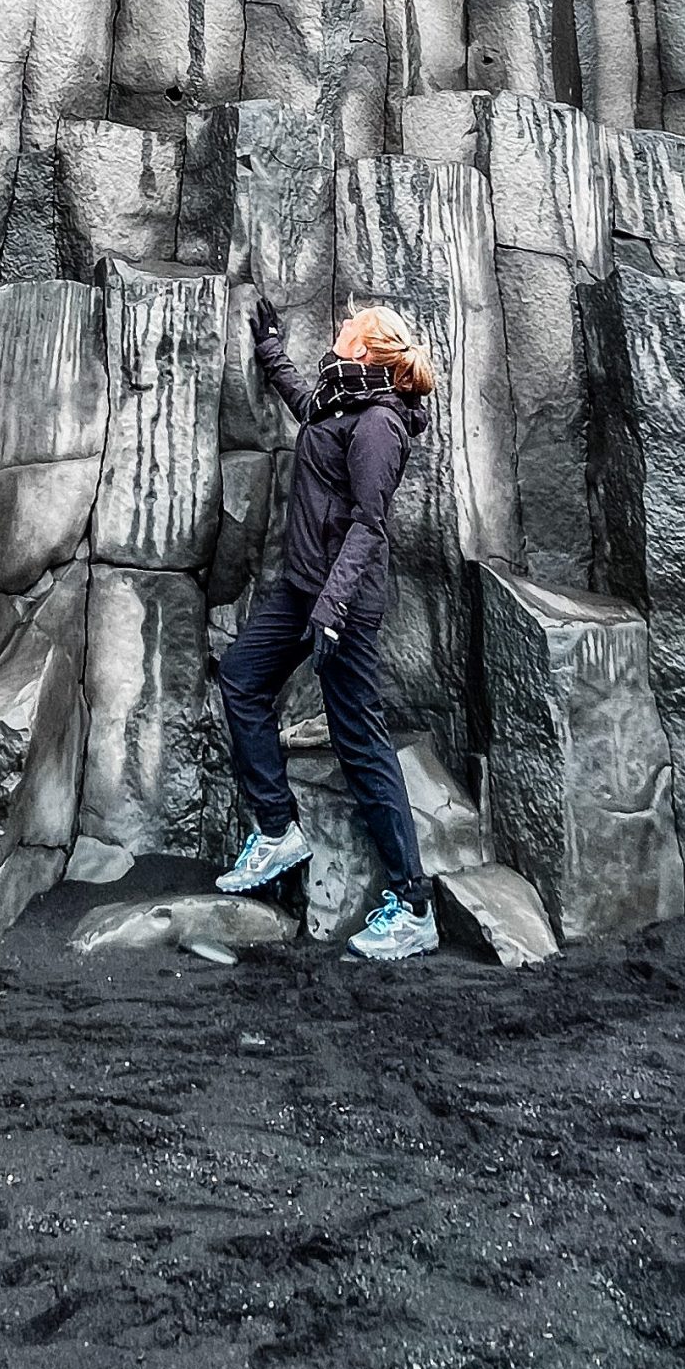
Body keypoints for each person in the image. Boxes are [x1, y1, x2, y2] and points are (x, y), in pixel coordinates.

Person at [213, 295, 441, 962]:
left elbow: (369, 528)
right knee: (242, 680)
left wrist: (331, 611)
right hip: (303, 591)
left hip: (340, 605)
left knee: (360, 740)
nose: (339, 328)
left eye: (348, 325)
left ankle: (413, 902)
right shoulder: (340, 403)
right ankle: (279, 830)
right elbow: (301, 404)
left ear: (368, 347)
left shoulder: (379, 424)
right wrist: (269, 350)